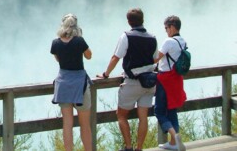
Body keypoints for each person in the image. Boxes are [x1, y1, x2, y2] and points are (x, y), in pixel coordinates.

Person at [97, 8, 157, 151]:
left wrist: (105, 74)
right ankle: (139, 148)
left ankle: (128, 147)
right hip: (149, 82)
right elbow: (155, 59)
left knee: (121, 115)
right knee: (143, 117)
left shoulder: (126, 36)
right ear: (142, 20)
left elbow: (116, 57)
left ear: (129, 22)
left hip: (133, 82)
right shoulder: (152, 37)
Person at [51, 13, 94, 151]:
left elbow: (58, 59)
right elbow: (89, 56)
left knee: (67, 124)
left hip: (63, 84)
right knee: (85, 124)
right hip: (80, 84)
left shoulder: (56, 42)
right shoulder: (79, 41)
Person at [153, 16, 188, 151]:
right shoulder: (182, 41)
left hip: (165, 80)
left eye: (166, 28)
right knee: (172, 110)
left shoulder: (169, 41)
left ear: (172, 27)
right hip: (177, 79)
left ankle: (174, 135)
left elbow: (156, 59)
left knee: (159, 111)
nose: (166, 31)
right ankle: (174, 143)